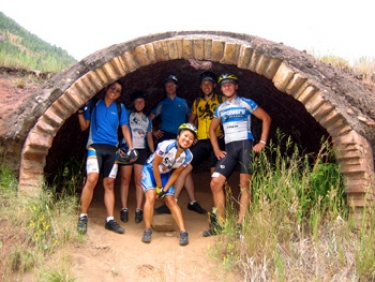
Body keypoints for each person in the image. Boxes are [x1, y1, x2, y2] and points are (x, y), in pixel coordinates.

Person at [202, 73, 272, 236]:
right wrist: (217, 150)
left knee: (245, 184)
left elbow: (266, 118)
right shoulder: (220, 108)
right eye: (224, 85)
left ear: (236, 86)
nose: (227, 87)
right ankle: (220, 224)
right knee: (215, 183)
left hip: (245, 145)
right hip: (230, 148)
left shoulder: (247, 103)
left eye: (230, 84)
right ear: (221, 88)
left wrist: (262, 142)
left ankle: (241, 224)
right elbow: (211, 129)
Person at [155, 71, 225, 215]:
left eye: (209, 83)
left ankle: (217, 211)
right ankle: (171, 203)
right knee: (182, 169)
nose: (206, 86)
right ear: (200, 86)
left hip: (216, 142)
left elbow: (230, 115)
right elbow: (191, 119)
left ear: (214, 85)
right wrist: (193, 134)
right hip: (201, 141)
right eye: (204, 84)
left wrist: (226, 130)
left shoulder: (221, 99)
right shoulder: (197, 102)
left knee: (215, 176)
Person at [76, 80, 135, 235]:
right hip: (95, 146)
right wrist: (80, 112)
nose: (114, 91)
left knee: (109, 183)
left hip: (113, 149)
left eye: (118, 90)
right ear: (106, 88)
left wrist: (131, 147)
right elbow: (84, 126)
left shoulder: (120, 108)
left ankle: (110, 219)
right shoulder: (94, 104)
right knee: (92, 178)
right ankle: (83, 215)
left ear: (120, 94)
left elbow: (125, 128)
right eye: (112, 88)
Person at [140, 123, 197, 246]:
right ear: (178, 135)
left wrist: (164, 190)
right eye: (185, 136)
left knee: (170, 200)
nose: (187, 139)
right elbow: (155, 165)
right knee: (150, 196)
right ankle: (147, 230)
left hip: (165, 173)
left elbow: (176, 174)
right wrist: (159, 187)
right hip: (150, 170)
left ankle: (183, 231)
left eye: (191, 138)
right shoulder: (165, 145)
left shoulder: (188, 156)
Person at [119, 91, 155, 224]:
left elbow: (149, 137)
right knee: (125, 179)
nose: (139, 104)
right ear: (133, 103)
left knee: (139, 180)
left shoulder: (148, 120)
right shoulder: (127, 114)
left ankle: (139, 209)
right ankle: (124, 208)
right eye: (137, 102)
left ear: (145, 104)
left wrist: (153, 153)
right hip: (126, 148)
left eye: (142, 102)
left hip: (141, 150)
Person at [149, 74, 190, 143]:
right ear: (165, 88)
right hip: (165, 136)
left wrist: (189, 131)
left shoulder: (184, 102)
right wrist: (153, 131)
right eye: (167, 86)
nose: (170, 87)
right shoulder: (162, 104)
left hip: (181, 136)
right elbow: (149, 119)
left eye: (172, 85)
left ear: (176, 86)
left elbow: (192, 117)